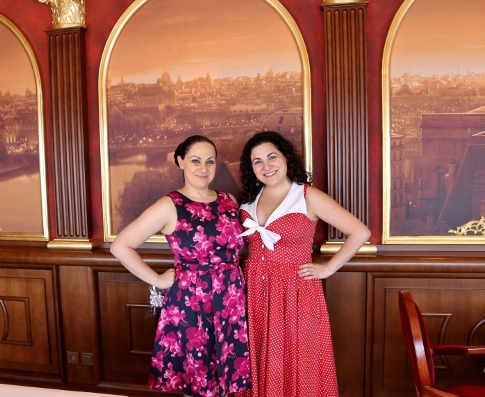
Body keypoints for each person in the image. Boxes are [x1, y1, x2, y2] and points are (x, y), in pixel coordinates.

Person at [110, 135, 251, 397]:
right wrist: (158, 279)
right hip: (192, 301)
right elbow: (120, 246)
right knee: (197, 379)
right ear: (180, 161)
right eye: (195, 160)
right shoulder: (170, 205)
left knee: (227, 377)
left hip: (231, 298)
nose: (204, 168)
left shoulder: (228, 199)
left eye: (210, 161)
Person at [235, 131, 370, 397]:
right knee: (256, 355)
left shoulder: (307, 196)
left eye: (272, 157)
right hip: (252, 294)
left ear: (286, 157)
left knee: (297, 356)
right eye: (257, 161)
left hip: (295, 292)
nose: (266, 166)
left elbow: (360, 232)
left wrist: (328, 268)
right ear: (251, 168)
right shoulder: (249, 202)